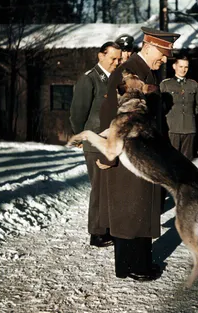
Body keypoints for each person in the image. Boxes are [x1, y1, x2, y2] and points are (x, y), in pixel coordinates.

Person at [99, 26, 180, 281]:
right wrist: (108, 155)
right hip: (129, 152)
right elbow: (110, 116)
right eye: (163, 53)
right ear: (148, 47)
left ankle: (139, 263)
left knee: (141, 206)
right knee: (129, 208)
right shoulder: (129, 73)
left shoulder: (147, 73)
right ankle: (130, 266)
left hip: (144, 152)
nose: (165, 59)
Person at [69, 41, 122, 247]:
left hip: (110, 141)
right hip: (94, 141)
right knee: (99, 188)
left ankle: (107, 227)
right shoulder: (90, 79)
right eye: (112, 59)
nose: (116, 62)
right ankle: (97, 233)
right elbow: (77, 113)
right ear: (101, 56)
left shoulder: (114, 79)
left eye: (118, 59)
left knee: (109, 187)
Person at [160, 56, 198, 160]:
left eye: (186, 67)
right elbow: (161, 106)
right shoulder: (166, 84)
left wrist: (190, 116)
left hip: (189, 128)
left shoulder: (193, 85)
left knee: (187, 161)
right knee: (171, 160)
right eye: (181, 66)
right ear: (174, 66)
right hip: (172, 128)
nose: (183, 70)